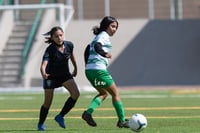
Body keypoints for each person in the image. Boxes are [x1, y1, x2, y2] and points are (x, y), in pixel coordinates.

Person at [82, 16, 129, 128]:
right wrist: (104, 54)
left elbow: (87, 50)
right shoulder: (103, 36)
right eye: (112, 26)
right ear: (106, 26)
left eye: (116, 27)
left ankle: (88, 113)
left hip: (90, 71)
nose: (114, 29)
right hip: (99, 71)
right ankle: (121, 121)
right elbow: (98, 46)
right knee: (115, 94)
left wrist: (88, 65)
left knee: (103, 93)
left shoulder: (97, 36)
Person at [37, 26, 80, 131]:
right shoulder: (50, 49)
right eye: (56, 36)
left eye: (61, 35)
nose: (59, 38)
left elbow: (72, 56)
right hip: (51, 77)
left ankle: (60, 116)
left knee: (76, 94)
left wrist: (75, 67)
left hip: (64, 75)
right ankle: (41, 124)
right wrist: (43, 73)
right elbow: (43, 64)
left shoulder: (69, 45)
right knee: (47, 103)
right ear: (52, 38)